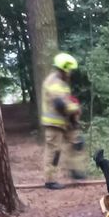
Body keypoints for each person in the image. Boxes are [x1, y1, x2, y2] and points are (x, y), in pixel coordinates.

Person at [41, 52, 85, 190]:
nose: (70, 73)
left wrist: (73, 116)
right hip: (54, 124)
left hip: (65, 122)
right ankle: (50, 180)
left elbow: (65, 102)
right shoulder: (53, 82)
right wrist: (75, 108)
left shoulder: (62, 82)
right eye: (69, 70)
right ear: (63, 68)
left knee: (77, 143)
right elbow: (60, 104)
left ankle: (76, 171)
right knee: (54, 152)